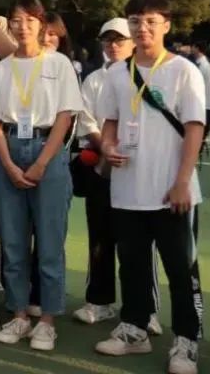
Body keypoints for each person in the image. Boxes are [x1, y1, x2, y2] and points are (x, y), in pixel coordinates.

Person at [94, 0, 206, 374]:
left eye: (151, 21)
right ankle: (134, 330)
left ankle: (186, 342)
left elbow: (194, 128)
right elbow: (109, 122)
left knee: (180, 270)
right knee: (132, 266)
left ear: (166, 26)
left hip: (171, 191)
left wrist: (182, 182)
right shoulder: (116, 73)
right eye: (135, 21)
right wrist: (108, 146)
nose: (142, 28)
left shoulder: (184, 70)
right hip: (128, 190)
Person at [0, 0, 82, 352]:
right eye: (15, 20)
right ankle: (19, 313)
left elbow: (65, 117)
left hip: (48, 150)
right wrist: (8, 164)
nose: (22, 26)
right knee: (12, 242)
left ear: (41, 24)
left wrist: (41, 163)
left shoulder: (59, 64)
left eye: (29, 19)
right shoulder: (2, 69)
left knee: (50, 242)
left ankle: (47, 320)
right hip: (9, 149)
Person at [72, 18, 161, 334]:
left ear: (132, 42)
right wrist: (106, 148)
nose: (113, 45)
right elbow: (86, 121)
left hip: (139, 174)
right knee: (100, 239)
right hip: (101, 170)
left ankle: (146, 310)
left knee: (139, 244)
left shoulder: (149, 76)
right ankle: (99, 301)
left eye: (119, 40)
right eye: (107, 40)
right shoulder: (94, 80)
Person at [189, 41, 210, 148]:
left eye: (192, 47)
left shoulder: (204, 64)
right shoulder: (205, 63)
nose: (191, 49)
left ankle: (201, 146)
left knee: (205, 126)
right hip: (207, 101)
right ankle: (202, 146)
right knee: (206, 126)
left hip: (209, 101)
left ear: (197, 48)